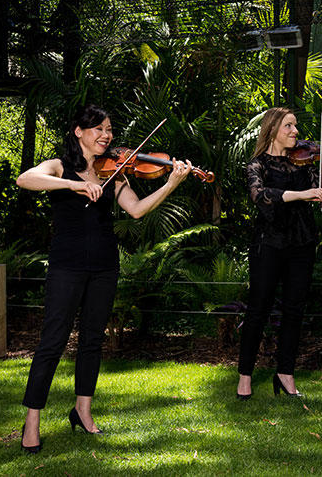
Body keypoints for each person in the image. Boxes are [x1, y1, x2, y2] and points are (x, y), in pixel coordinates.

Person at [15, 105, 193, 453]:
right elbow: (25, 179)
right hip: (67, 266)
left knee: (92, 341)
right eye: (97, 128)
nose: (105, 135)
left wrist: (171, 183)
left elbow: (138, 210)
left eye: (109, 129)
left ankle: (83, 411)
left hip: (105, 266)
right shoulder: (59, 167)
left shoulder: (117, 173)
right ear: (78, 132)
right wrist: (73, 185)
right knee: (52, 343)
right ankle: (32, 421)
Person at [236, 107, 322, 399]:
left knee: (294, 311)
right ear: (272, 130)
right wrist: (301, 195)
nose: (296, 132)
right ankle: (244, 378)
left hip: (302, 242)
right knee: (258, 310)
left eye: (295, 126)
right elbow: (261, 196)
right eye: (289, 126)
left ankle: (285, 374)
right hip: (268, 244)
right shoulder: (257, 165)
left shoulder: (304, 163)